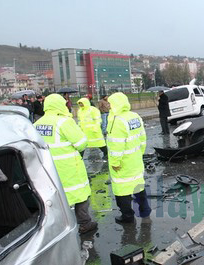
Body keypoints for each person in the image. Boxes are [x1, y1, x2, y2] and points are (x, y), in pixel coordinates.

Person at [34, 94, 97, 234]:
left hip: (47, 169)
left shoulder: (37, 124)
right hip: (68, 168)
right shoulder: (64, 122)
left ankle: (61, 227)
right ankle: (84, 224)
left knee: (56, 199)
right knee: (80, 194)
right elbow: (81, 144)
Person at [106, 92, 151, 223]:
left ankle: (127, 216)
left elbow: (116, 145)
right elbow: (143, 137)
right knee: (138, 187)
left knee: (122, 190)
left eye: (110, 103)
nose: (109, 106)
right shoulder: (134, 116)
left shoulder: (117, 121)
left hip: (123, 163)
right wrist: (139, 153)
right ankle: (145, 211)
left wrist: (115, 162)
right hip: (136, 160)